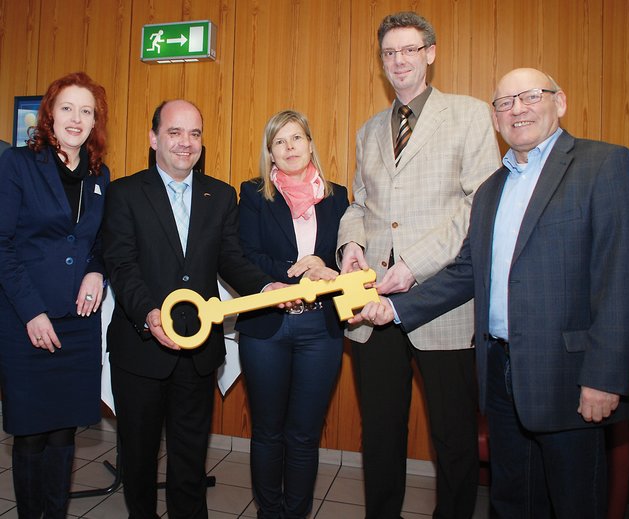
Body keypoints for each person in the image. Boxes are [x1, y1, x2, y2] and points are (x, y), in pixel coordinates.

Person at [353, 67, 629, 519]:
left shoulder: (603, 165)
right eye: (504, 103)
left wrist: (605, 377)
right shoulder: (491, 189)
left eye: (529, 97)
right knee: (512, 502)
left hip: (567, 379)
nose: (517, 110)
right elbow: (466, 273)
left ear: (559, 101)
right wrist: (394, 308)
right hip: (501, 375)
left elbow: (621, 279)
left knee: (573, 503)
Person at [336, 11, 500, 519]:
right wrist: (350, 247)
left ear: (430, 53)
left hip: (444, 305)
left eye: (410, 50)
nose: (399, 60)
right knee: (380, 434)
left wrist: (413, 263)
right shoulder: (369, 131)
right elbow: (359, 206)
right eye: (390, 52)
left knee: (453, 440)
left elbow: (480, 206)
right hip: (374, 308)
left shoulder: (470, 115)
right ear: (381, 61)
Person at [102, 99, 278, 519]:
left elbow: (231, 260)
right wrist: (149, 313)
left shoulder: (219, 195)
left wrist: (267, 286)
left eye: (195, 133)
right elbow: (122, 265)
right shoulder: (125, 193)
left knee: (189, 457)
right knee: (139, 457)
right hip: (141, 347)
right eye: (175, 132)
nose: (186, 143)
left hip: (199, 351)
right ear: (154, 138)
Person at [0, 71, 110, 518]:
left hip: (78, 322)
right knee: (30, 432)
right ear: (49, 114)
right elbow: (2, 244)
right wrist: (32, 312)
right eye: (67, 108)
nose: (76, 118)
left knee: (65, 429)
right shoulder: (18, 164)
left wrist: (97, 272)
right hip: (25, 318)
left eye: (86, 111)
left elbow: (99, 241)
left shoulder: (100, 175)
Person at [235, 110, 349, 518]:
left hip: (320, 328)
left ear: (311, 143)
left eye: (296, 138)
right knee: (267, 432)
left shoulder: (338, 196)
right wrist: (299, 269)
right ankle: (270, 512)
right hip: (267, 327)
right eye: (279, 142)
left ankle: (296, 513)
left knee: (303, 435)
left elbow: (346, 252)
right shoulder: (253, 193)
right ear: (270, 153)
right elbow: (247, 253)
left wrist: (327, 264)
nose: (289, 148)